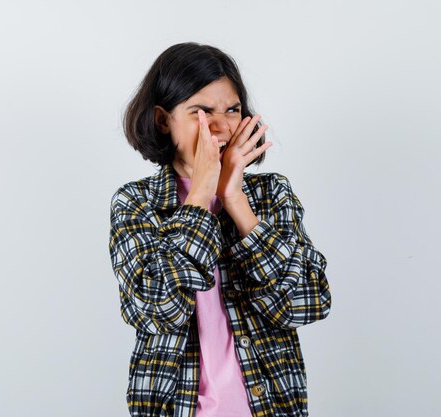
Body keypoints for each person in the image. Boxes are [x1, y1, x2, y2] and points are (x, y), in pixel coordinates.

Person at [108, 42, 332, 417]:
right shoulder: (136, 203)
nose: (221, 125)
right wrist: (200, 195)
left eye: (232, 109)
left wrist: (234, 199)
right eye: (201, 111)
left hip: (269, 407)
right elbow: (156, 309)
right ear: (164, 119)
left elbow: (307, 302)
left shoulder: (270, 194)